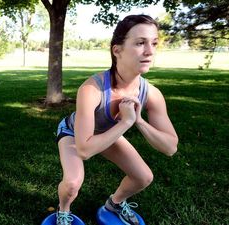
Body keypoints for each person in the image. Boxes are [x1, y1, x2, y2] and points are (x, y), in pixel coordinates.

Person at [54, 15, 179, 225]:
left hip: (106, 133)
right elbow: (84, 150)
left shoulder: (152, 94)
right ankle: (63, 210)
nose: (150, 51)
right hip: (73, 132)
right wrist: (125, 123)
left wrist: (138, 120)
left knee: (143, 177)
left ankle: (115, 203)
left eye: (154, 43)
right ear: (117, 50)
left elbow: (170, 147)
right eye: (140, 43)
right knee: (73, 183)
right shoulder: (91, 89)